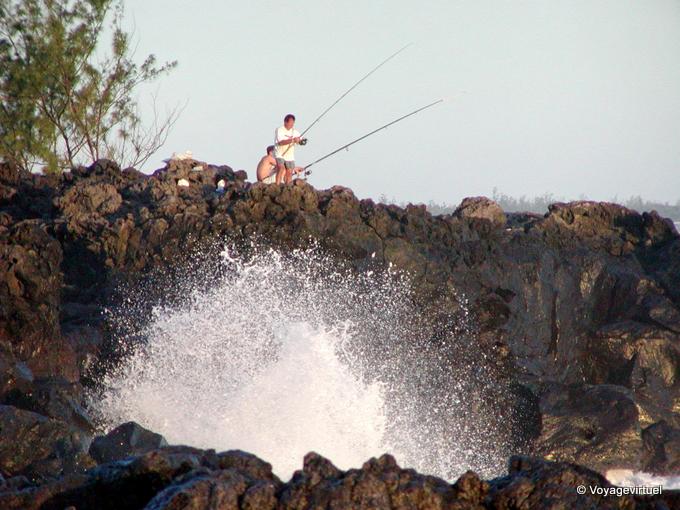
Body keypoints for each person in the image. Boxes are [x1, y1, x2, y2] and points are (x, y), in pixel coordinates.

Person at [274, 114, 303, 184]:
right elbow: (281, 142)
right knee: (281, 168)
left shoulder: (295, 132)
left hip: (290, 156)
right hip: (280, 154)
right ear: (285, 122)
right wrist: (293, 140)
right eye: (290, 122)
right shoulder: (279, 130)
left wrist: (300, 141)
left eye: (293, 123)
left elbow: (301, 142)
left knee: (289, 172)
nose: (292, 124)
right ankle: (277, 185)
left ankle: (287, 188)